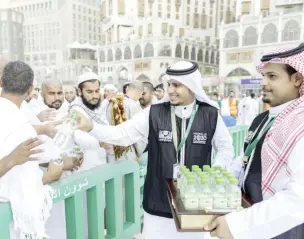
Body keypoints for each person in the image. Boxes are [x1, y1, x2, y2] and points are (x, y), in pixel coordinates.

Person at [76, 61, 234, 239]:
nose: (171, 90)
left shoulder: (210, 114)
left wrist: (212, 176)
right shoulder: (154, 113)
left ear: (191, 86)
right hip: (157, 203)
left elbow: (226, 148)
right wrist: (91, 127)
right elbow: (123, 134)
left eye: (177, 85)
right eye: (169, 85)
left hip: (195, 206)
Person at [205, 43, 304, 239]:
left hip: (287, 230)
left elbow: (300, 198)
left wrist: (238, 225)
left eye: (273, 77)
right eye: (264, 76)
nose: (263, 83)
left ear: (297, 79)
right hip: (252, 219)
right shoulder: (263, 119)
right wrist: (215, 181)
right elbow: (246, 162)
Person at [0, 61, 64, 239]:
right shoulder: (22, 127)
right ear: (30, 90)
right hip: (9, 223)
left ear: (1, 82)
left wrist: (41, 128)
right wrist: (48, 177)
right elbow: (24, 188)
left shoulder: (22, 124)